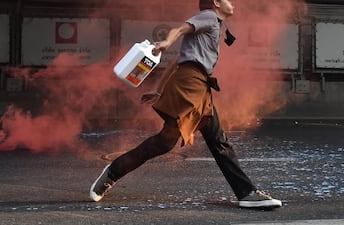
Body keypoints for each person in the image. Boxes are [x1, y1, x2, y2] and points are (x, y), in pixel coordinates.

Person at [90, 0, 282, 208]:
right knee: (170, 141)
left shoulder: (214, 25)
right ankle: (113, 172)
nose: (233, 3)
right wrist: (166, 43)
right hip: (191, 86)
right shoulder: (209, 16)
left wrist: (160, 89)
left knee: (212, 141)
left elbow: (177, 61)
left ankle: (246, 194)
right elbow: (179, 29)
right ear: (216, 3)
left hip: (199, 87)